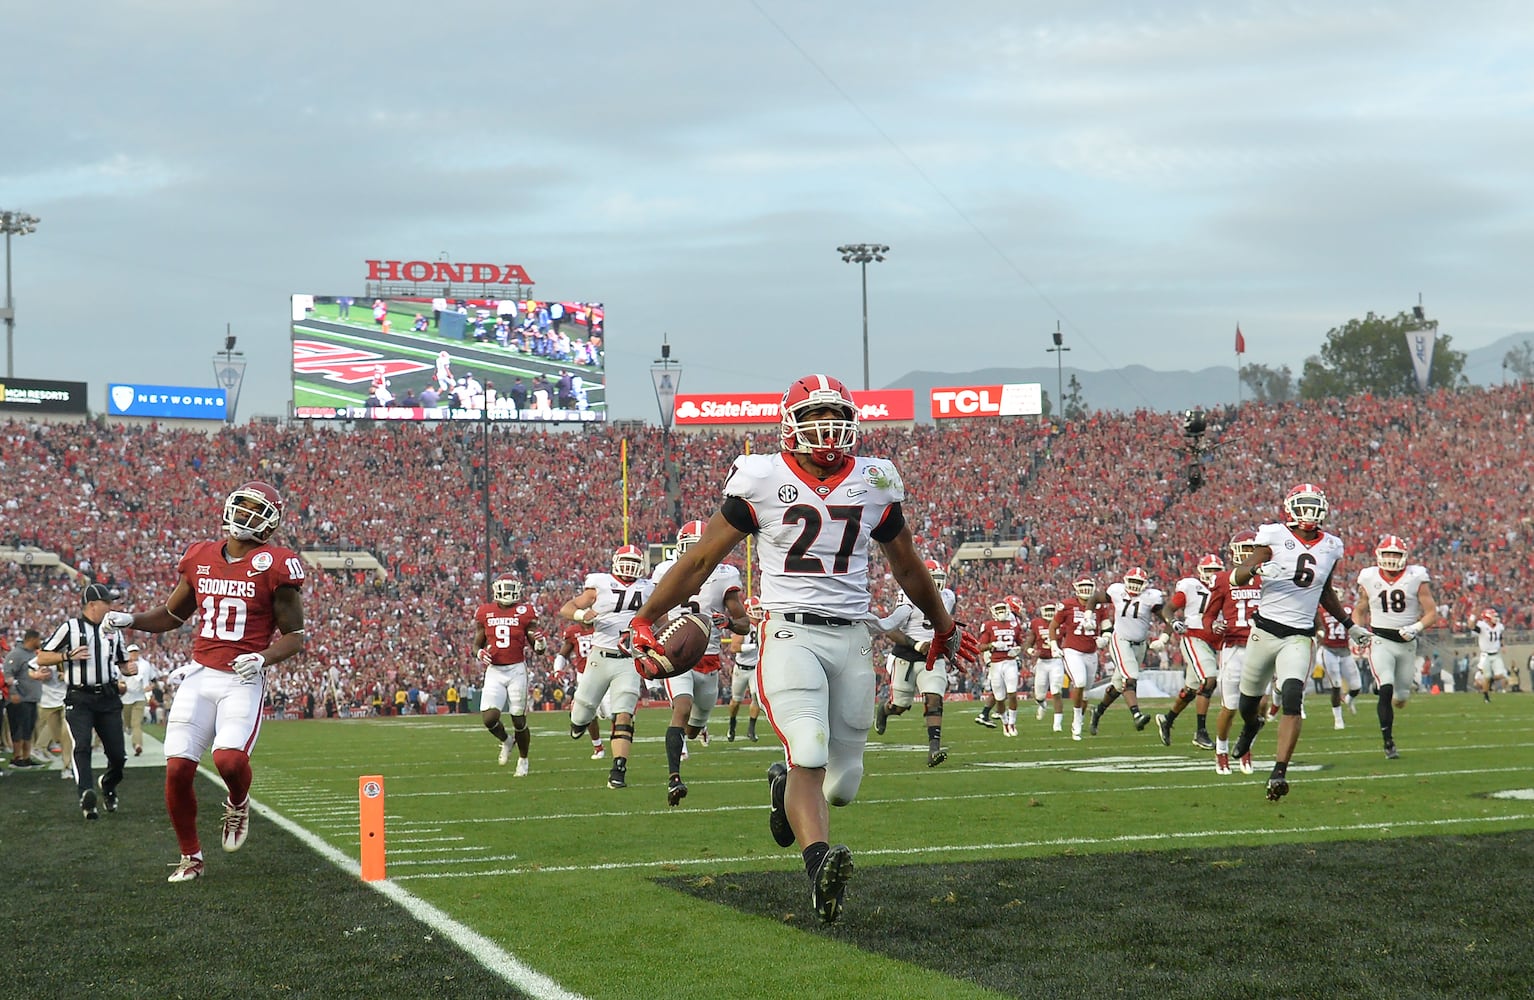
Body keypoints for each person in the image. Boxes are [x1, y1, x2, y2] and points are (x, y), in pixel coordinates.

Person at [625, 374, 977, 924]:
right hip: (789, 631)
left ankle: (781, 787)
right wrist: (646, 616)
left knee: (843, 786)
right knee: (808, 748)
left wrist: (944, 626)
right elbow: (699, 561)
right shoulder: (762, 478)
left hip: (852, 636)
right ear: (791, 424)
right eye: (813, 416)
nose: (825, 427)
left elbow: (906, 566)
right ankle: (819, 872)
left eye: (834, 415)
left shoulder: (875, 480)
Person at [102, 481, 307, 881]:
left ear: (270, 521)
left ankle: (238, 801)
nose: (245, 515)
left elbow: (295, 637)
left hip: (242, 678)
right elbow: (172, 615)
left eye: (255, 509)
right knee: (177, 769)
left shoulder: (278, 564)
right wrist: (133, 620)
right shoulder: (199, 555)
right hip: (199, 673)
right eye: (242, 506)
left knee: (228, 759)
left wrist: (262, 658)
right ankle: (190, 857)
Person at [1229, 484, 1369, 801]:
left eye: (1313, 505)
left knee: (1292, 696)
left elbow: (1325, 591)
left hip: (1299, 635)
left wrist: (1349, 625)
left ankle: (1279, 773)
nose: (1308, 511)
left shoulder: (1332, 546)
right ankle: (1251, 727)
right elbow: (1237, 575)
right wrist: (1259, 567)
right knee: (1247, 703)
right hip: (1263, 632)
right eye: (1302, 505)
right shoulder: (1273, 535)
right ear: (1290, 508)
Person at [649, 519, 748, 806]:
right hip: (677, 657)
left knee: (692, 728)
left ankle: (697, 729)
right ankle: (674, 779)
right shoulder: (666, 572)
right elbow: (657, 611)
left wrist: (728, 621)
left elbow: (743, 624)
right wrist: (668, 642)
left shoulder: (725, 576)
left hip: (710, 660)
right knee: (681, 708)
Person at [558, 545, 654, 789]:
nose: (630, 565)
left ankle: (618, 769)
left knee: (623, 714)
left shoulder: (648, 588)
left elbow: (661, 620)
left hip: (629, 660)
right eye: (626, 560)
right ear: (615, 561)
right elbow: (567, 608)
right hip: (600, 657)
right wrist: (581, 616)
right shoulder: (599, 584)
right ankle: (578, 723)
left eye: (635, 561)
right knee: (582, 711)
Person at [36, 584, 134, 819]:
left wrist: (129, 669)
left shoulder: (114, 631)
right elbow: (42, 655)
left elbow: (122, 663)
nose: (111, 607)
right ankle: (86, 795)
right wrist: (66, 656)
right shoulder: (70, 628)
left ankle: (108, 785)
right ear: (92, 605)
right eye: (107, 603)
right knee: (81, 745)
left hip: (108, 697)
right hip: (80, 697)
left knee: (118, 755)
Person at [1352, 534, 1439, 760]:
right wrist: (1357, 629)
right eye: (1387, 554)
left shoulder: (1415, 576)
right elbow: (1360, 609)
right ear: (1379, 556)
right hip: (1380, 640)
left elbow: (1432, 613)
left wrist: (1416, 627)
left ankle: (1380, 685)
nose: (1391, 558)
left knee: (1400, 699)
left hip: (1407, 643)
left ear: (1404, 557)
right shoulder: (1369, 577)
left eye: (1396, 554)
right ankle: (1388, 742)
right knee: (1386, 687)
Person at [872, 559, 959, 764]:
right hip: (906, 656)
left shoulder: (947, 597)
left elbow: (945, 624)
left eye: (939, 579)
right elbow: (891, 630)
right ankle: (884, 710)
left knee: (934, 699)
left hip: (932, 657)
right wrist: (916, 644)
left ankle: (934, 749)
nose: (937, 585)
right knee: (900, 706)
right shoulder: (907, 597)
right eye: (933, 580)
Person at [472, 574, 545, 777]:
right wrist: (479, 652)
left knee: (518, 719)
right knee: (489, 718)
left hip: (516, 670)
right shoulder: (486, 612)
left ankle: (523, 759)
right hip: (495, 670)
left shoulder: (525, 611)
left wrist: (540, 644)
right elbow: (477, 643)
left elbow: (536, 647)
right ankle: (506, 740)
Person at [1155, 554, 1224, 749]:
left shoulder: (1227, 587)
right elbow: (1169, 609)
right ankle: (1200, 732)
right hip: (1194, 637)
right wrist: (1173, 623)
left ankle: (1167, 721)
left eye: (1216, 571)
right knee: (1209, 679)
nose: (1212, 575)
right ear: (1201, 571)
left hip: (1214, 643)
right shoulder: (1192, 586)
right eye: (1209, 570)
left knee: (1191, 691)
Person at [1089, 567, 1163, 734]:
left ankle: (1098, 711)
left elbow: (1166, 616)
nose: (1135, 585)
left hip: (1140, 644)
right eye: (1133, 581)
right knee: (1130, 678)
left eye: (1139, 582)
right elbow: (1095, 598)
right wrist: (1088, 615)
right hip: (1120, 640)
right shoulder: (1116, 591)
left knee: (1118, 685)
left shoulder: (1151, 597)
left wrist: (1165, 636)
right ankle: (1136, 714)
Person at [1050, 577, 1112, 740]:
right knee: (1080, 682)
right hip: (1072, 651)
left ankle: (1081, 717)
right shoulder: (1067, 605)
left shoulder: (1099, 606)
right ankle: (1076, 722)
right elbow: (1053, 626)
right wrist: (1053, 645)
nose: (1085, 589)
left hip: (1091, 653)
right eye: (1082, 586)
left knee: (1085, 693)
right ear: (1076, 588)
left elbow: (1107, 628)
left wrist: (1105, 639)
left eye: (1088, 586)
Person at [553, 618, 604, 758]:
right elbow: (563, 654)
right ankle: (598, 747)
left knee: (609, 713)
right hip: (584, 675)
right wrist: (557, 669)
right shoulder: (573, 632)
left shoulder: (602, 626)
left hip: (605, 671)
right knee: (588, 713)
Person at [975, 598, 1026, 736]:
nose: (1001, 612)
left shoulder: (1014, 625)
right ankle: (1004, 723)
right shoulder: (989, 625)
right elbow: (980, 646)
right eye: (998, 610)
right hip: (995, 663)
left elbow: (1021, 643)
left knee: (1012, 694)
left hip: (1010, 662)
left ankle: (1012, 723)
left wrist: (1017, 650)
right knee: (999, 696)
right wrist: (992, 645)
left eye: (1003, 609)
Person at [1316, 597, 1363, 728]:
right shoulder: (1320, 611)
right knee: (1336, 685)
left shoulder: (1347, 609)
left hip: (1345, 650)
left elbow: (1355, 622)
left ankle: (1349, 699)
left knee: (1356, 686)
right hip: (1329, 650)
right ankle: (1338, 719)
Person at [725, 597, 764, 742]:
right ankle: (732, 724)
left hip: (755, 668)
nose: (759, 612)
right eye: (757, 609)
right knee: (736, 701)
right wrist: (755, 646)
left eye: (760, 609)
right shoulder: (743, 628)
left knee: (756, 697)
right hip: (741, 669)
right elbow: (734, 648)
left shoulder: (762, 626)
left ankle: (751, 729)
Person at [4, 629, 43, 767]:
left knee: (28, 729)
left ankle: (26, 757)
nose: (40, 642)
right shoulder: (16, 654)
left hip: (31, 698)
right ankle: (16, 757)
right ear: (31, 639)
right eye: (38, 639)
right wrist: (13, 692)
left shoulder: (33, 654)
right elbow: (8, 674)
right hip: (19, 698)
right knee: (18, 729)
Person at [120, 644, 157, 757]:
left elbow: (153, 679)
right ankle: (128, 728)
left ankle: (137, 745)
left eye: (135, 652)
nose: (134, 654)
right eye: (131, 652)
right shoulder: (123, 664)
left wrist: (151, 686)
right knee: (127, 723)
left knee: (136, 723)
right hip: (125, 697)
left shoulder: (145, 665)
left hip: (140, 697)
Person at [1470, 609, 1507, 701]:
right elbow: (1471, 626)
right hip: (1485, 654)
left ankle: (1490, 681)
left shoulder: (1499, 626)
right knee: (1487, 676)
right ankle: (1486, 696)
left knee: (1502, 675)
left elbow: (1500, 636)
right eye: (1493, 616)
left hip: (1496, 654)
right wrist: (1473, 616)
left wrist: (1503, 645)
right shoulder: (1482, 626)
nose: (1496, 618)